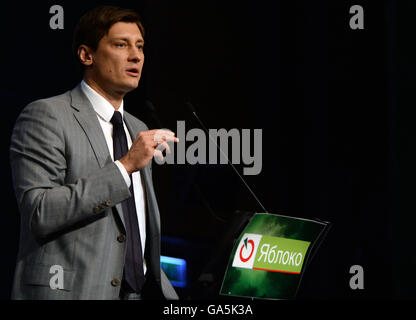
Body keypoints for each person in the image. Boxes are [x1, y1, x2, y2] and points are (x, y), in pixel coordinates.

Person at [9, 5, 179, 300]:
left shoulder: (137, 127)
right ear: (87, 55)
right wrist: (124, 167)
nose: (136, 55)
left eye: (139, 46)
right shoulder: (47, 115)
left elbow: (137, 232)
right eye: (120, 44)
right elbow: (40, 212)